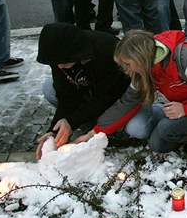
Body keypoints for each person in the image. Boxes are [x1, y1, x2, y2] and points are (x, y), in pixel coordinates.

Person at [75, 30, 187, 153]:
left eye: (127, 64)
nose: (125, 70)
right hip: (184, 107)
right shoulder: (145, 68)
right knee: (156, 140)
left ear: (140, 58)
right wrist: (94, 133)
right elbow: (127, 102)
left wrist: (186, 109)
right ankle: (185, 129)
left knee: (163, 133)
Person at [34, 23, 132, 158]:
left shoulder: (106, 50)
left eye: (63, 62)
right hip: (90, 93)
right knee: (49, 88)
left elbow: (105, 97)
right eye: (56, 63)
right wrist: (54, 130)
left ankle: (103, 122)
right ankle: (89, 119)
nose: (59, 66)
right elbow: (66, 96)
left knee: (138, 127)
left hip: (121, 98)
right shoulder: (58, 56)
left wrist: (72, 121)